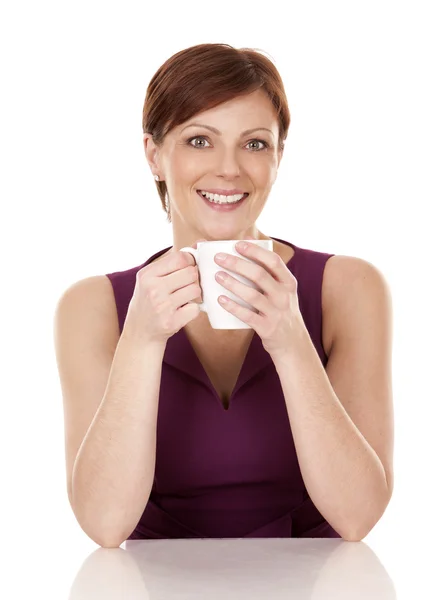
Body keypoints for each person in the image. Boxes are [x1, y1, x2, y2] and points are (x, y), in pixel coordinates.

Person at [53, 43, 394, 547]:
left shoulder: (350, 289)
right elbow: (105, 526)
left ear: (279, 155)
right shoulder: (92, 307)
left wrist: (290, 341)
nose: (230, 169)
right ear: (154, 155)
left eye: (255, 144)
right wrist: (142, 342)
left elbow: (358, 517)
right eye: (199, 140)